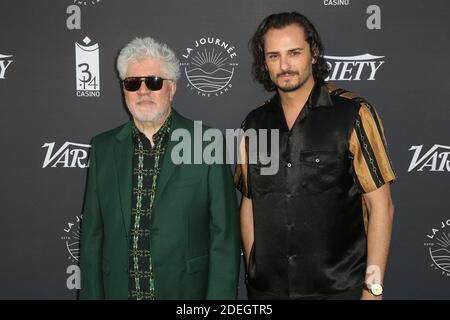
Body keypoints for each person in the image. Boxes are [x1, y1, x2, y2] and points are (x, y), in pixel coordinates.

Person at [234, 12, 396, 300]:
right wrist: (253, 268)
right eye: (274, 56)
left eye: (294, 53)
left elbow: (380, 206)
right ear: (264, 62)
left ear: (314, 53)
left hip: (339, 289)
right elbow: (249, 201)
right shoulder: (253, 124)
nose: (284, 65)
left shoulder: (354, 114)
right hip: (268, 291)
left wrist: (373, 287)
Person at [80, 37, 240, 300]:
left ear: (172, 88)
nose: (143, 91)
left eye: (153, 82)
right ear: (124, 90)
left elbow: (224, 237)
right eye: (133, 83)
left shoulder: (205, 143)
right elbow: (92, 238)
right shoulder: (103, 147)